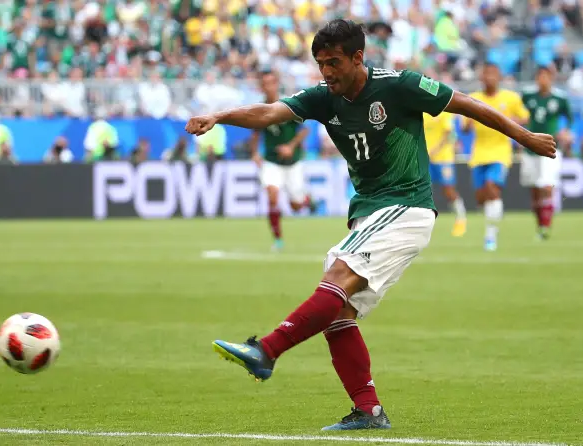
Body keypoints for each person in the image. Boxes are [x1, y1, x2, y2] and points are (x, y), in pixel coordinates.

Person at [185, 19, 555, 431]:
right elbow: (269, 112)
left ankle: (267, 351)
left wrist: (525, 137)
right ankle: (368, 410)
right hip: (370, 212)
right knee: (338, 311)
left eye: (334, 62)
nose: (326, 72)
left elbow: (467, 103)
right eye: (320, 63)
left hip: (406, 205)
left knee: (337, 279)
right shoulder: (325, 97)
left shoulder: (399, 85)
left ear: (358, 57)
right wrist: (218, 116)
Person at [464, 63, 530, 252]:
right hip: (479, 153)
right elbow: (464, 127)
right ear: (481, 77)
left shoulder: (510, 98)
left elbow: (525, 117)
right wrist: (468, 124)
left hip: (500, 152)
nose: (490, 78)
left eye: (493, 74)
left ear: (499, 77)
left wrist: (507, 122)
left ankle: (490, 235)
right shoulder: (474, 99)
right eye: (486, 74)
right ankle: (493, 218)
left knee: (492, 189)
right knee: (480, 198)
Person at [250, 70, 317, 252]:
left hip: (293, 162)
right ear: (261, 86)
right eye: (265, 83)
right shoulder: (259, 108)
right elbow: (255, 133)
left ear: (276, 83)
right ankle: (278, 240)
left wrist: (291, 146)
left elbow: (304, 130)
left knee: (295, 206)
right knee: (272, 196)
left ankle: (305, 200)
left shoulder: (288, 105)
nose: (269, 86)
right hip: (271, 161)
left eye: (272, 82)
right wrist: (255, 153)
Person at [521, 66, 572, 240]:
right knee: (534, 190)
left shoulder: (559, 98)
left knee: (547, 186)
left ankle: (546, 226)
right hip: (529, 149)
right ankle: (540, 226)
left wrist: (566, 131)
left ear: (551, 79)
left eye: (546, 77)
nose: (542, 80)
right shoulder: (527, 96)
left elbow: (570, 118)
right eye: (540, 76)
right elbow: (520, 114)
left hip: (550, 148)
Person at [423, 110, 466, 236]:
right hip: (425, 159)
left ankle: (461, 218)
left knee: (448, 189)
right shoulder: (422, 112)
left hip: (443, 159)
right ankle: (424, 222)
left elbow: (449, 134)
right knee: (424, 190)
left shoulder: (443, 113)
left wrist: (435, 150)